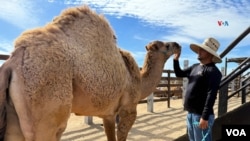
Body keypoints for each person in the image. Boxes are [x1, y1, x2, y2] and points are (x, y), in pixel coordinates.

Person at [173, 37, 222, 141]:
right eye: (199, 48)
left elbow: (211, 95)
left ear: (209, 53)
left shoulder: (213, 71)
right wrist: (176, 59)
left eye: (202, 49)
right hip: (190, 113)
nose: (199, 51)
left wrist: (205, 117)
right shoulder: (195, 66)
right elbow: (179, 73)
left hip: (201, 116)